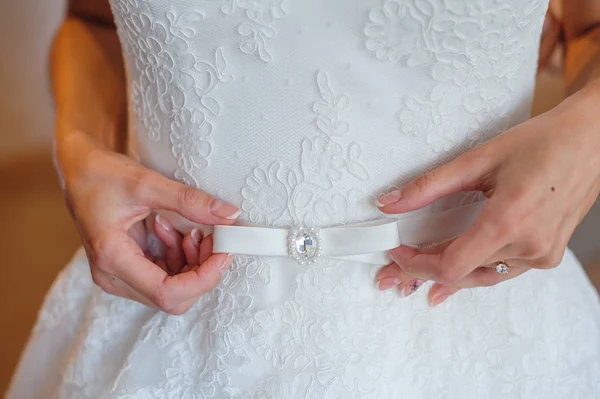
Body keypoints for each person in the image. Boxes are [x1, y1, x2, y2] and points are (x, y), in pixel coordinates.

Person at [7, 0, 600, 397]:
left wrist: (589, 136)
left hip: (477, 329)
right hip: (169, 311)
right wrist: (80, 154)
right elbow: (94, 19)